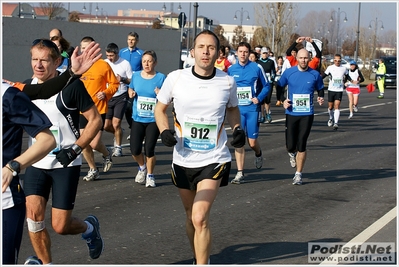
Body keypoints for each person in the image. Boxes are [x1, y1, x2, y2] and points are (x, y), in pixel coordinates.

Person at [2, 40, 103, 265]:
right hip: (36, 163)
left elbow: (95, 120)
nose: (38, 65)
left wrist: (75, 149)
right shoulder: (23, 88)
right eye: (34, 59)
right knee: (34, 218)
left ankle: (89, 227)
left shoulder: (72, 86)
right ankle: (45, 262)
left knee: (60, 225)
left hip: (64, 163)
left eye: (44, 60)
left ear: (57, 61)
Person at [154, 30, 245, 264]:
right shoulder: (175, 78)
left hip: (214, 158)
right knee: (190, 216)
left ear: (218, 53)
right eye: (201, 47)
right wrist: (164, 131)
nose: (206, 52)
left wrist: (236, 130)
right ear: (192, 52)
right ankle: (198, 257)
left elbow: (233, 109)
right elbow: (159, 108)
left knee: (200, 216)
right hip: (183, 158)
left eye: (211, 48)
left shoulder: (227, 81)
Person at [277, 49, 325, 185]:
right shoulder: (289, 72)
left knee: (302, 143)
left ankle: (298, 174)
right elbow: (279, 86)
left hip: (307, 113)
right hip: (292, 113)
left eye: (306, 58)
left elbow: (320, 88)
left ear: (309, 59)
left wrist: (321, 97)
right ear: (296, 58)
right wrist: (282, 100)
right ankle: (292, 153)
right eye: (301, 58)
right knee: (290, 145)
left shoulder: (314, 74)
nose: (303, 60)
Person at [227, 42, 270, 184]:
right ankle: (240, 173)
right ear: (237, 53)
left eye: (245, 51)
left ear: (249, 53)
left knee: (251, 143)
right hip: (237, 110)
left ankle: (258, 153)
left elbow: (267, 85)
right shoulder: (232, 69)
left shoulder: (257, 68)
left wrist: (259, 98)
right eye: (240, 51)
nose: (243, 54)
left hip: (252, 109)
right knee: (239, 141)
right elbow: (226, 87)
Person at [79, 36, 119, 181]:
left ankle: (106, 154)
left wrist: (106, 93)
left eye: (88, 48)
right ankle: (93, 169)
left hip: (98, 110)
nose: (85, 51)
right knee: (83, 143)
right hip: (81, 110)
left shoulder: (103, 65)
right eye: (83, 48)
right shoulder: (78, 65)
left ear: (94, 49)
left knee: (94, 143)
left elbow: (115, 84)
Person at [128, 50, 166, 188]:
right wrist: (131, 92)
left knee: (149, 149)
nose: (146, 64)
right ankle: (142, 167)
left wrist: (160, 94)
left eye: (149, 61)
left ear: (155, 62)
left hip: (153, 120)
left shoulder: (161, 78)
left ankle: (150, 175)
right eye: (144, 61)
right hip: (138, 119)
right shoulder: (136, 76)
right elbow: (131, 88)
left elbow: (168, 98)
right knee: (134, 150)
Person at [104, 43, 133, 157]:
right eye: (108, 55)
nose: (110, 58)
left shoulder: (125, 64)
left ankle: (118, 147)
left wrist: (123, 79)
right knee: (106, 126)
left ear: (117, 54)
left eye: (111, 55)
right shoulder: (104, 63)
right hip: (108, 96)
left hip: (121, 95)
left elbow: (131, 80)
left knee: (116, 124)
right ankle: (119, 133)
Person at [119, 32, 144, 139]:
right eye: (129, 39)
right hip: (122, 85)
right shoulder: (121, 52)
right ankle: (131, 128)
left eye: (133, 39)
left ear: (137, 41)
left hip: (135, 84)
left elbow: (144, 69)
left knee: (132, 107)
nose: (130, 41)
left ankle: (136, 130)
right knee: (126, 109)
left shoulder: (141, 53)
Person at [321, 54, 348, 130]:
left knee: (337, 106)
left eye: (339, 61)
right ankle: (330, 118)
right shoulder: (330, 68)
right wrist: (318, 79)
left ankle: (336, 123)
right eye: (336, 60)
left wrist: (347, 81)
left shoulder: (344, 68)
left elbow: (347, 76)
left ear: (341, 61)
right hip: (331, 89)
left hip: (339, 90)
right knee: (330, 107)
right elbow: (324, 75)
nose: (337, 62)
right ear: (334, 60)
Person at [257, 47, 276, 123]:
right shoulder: (258, 62)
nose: (264, 55)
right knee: (261, 100)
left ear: (268, 54)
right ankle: (262, 115)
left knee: (267, 99)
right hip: (261, 82)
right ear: (261, 54)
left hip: (268, 82)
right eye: (263, 53)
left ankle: (268, 113)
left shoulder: (271, 61)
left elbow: (273, 71)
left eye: (266, 53)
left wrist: (272, 77)